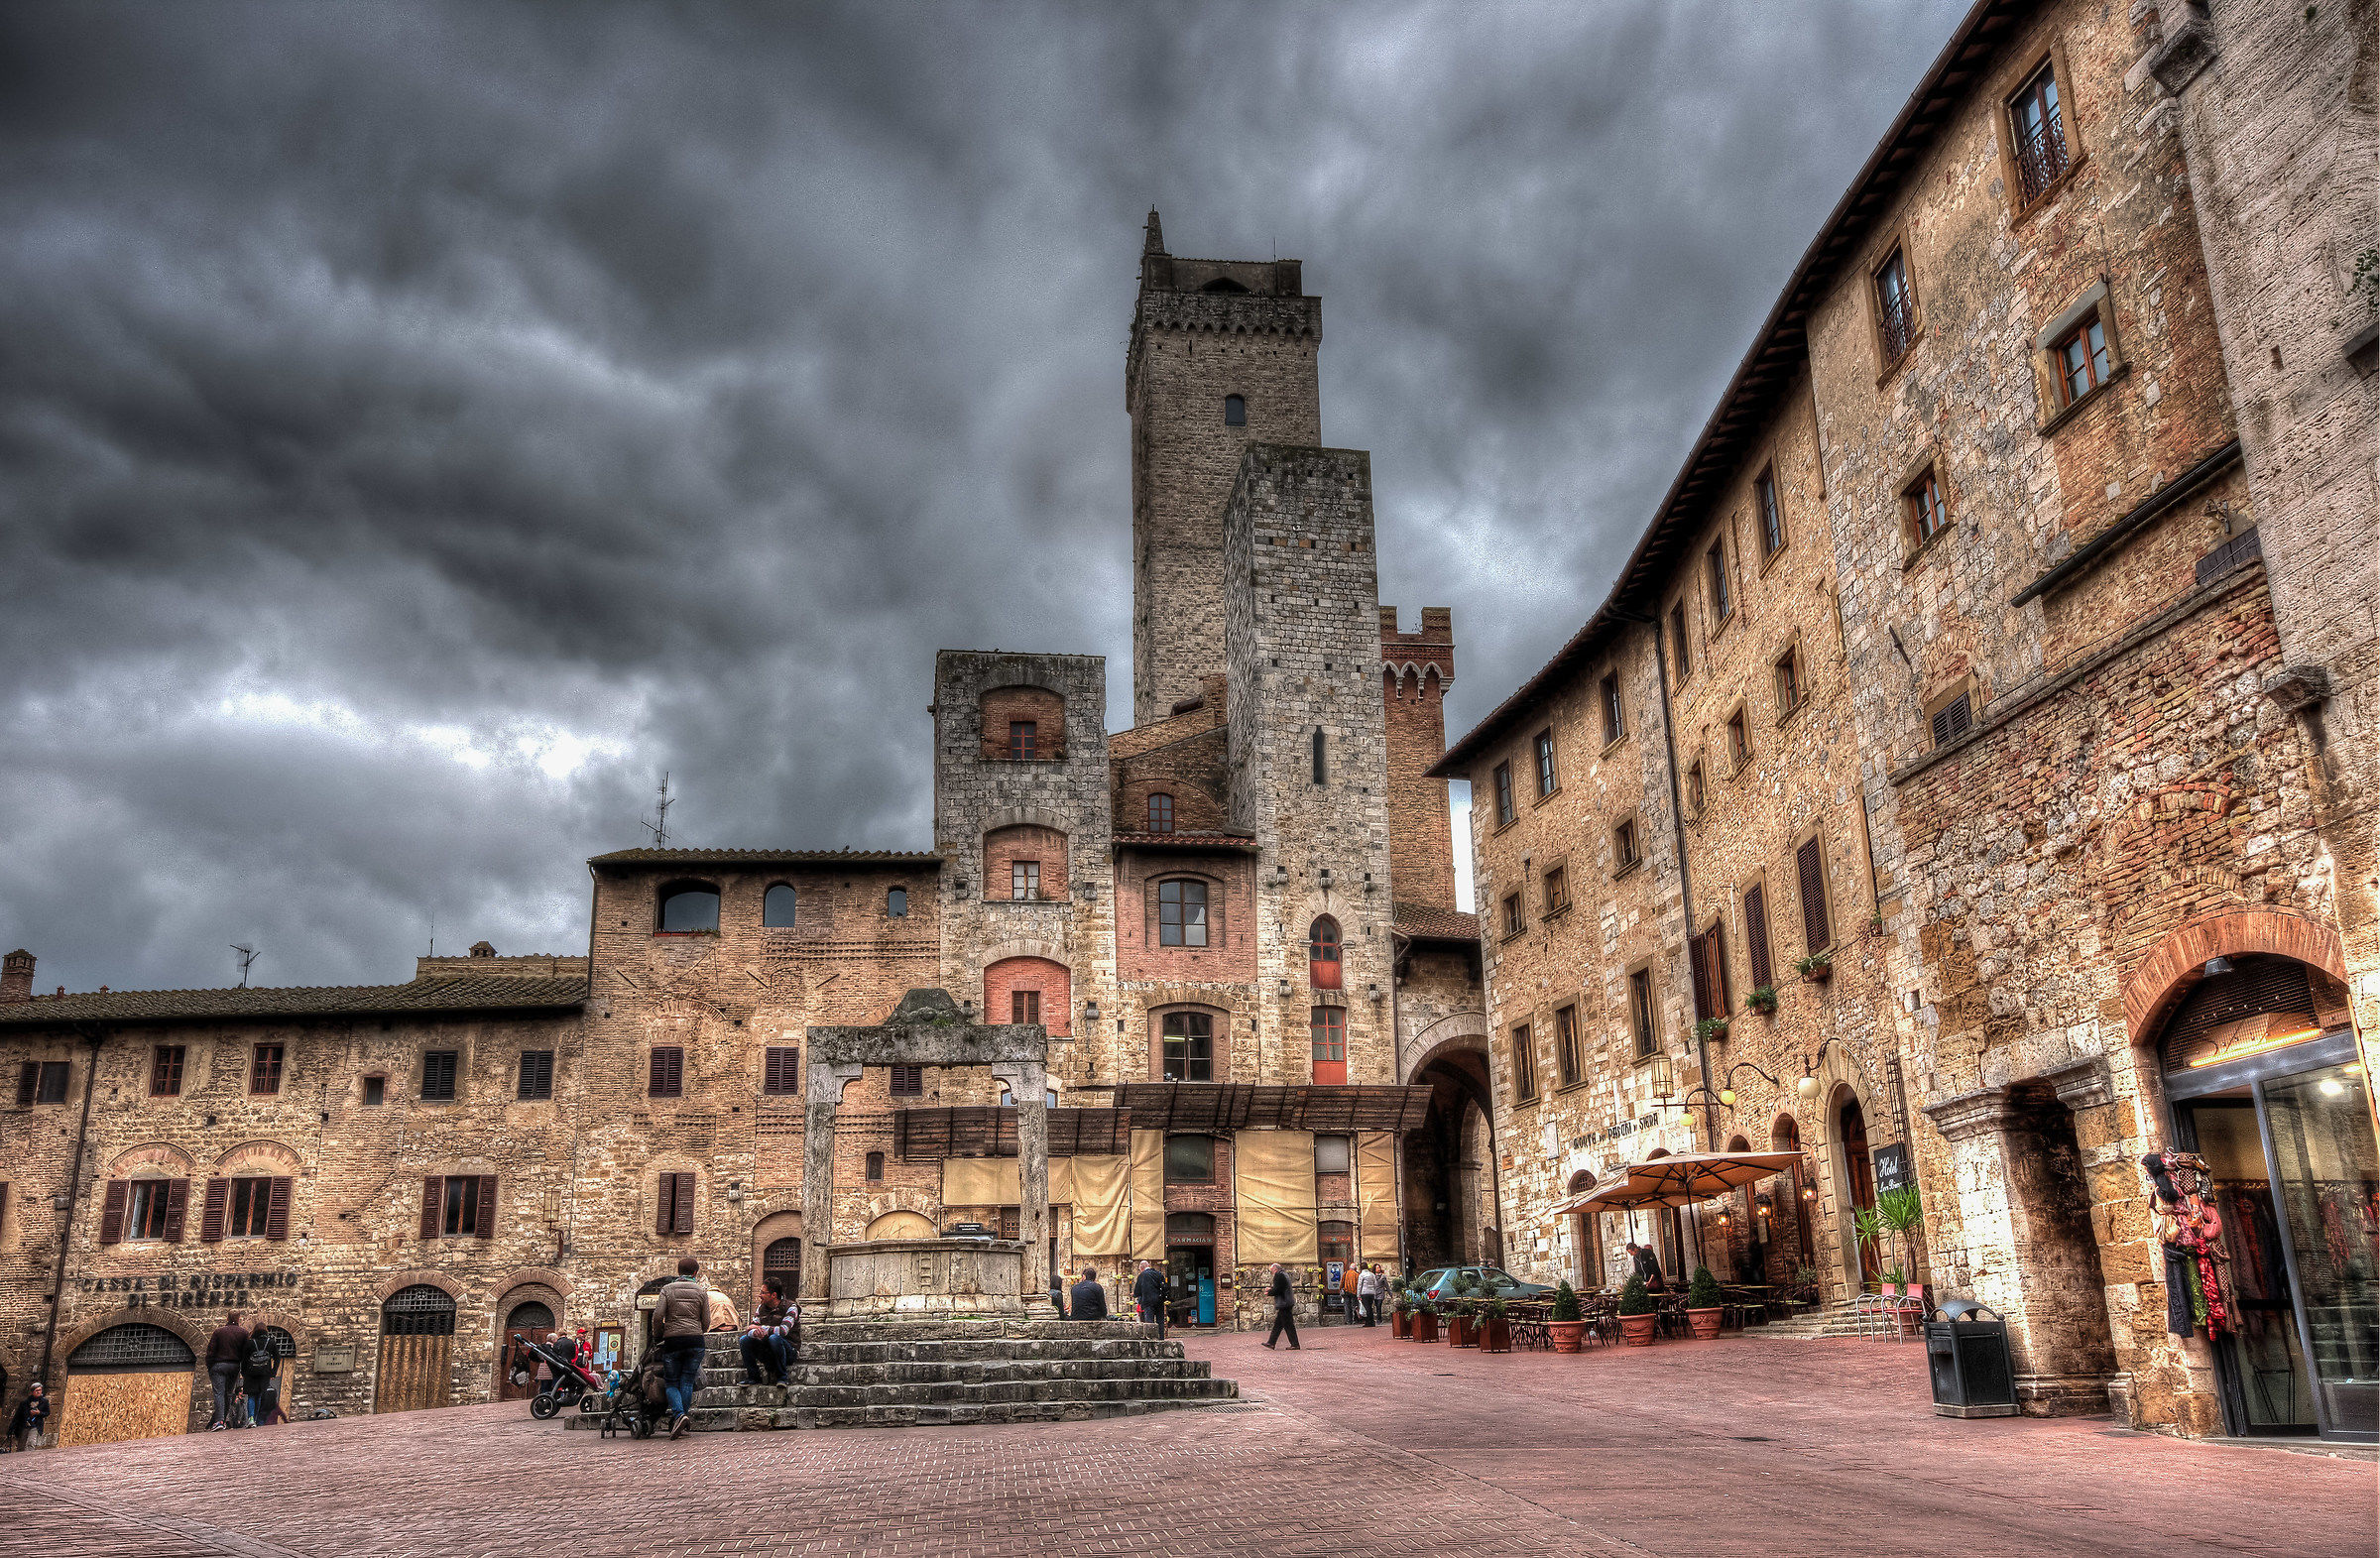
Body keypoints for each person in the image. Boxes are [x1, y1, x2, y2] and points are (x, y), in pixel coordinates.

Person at [655, 1256, 711, 1439]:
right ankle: (683, 1418)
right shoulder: (701, 1292)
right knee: (687, 1381)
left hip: (674, 1340)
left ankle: (679, 1415)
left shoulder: (667, 1289)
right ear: (696, 1273)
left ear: (678, 1272)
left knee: (671, 1381)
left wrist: (660, 1332)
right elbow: (707, 1321)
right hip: (695, 1341)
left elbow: (657, 1316)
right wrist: (698, 1330)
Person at [741, 1277, 793, 1385]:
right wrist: (755, 1332)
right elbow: (750, 1329)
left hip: (787, 1350)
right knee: (744, 1340)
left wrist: (761, 1329)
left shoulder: (790, 1307)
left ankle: (782, 1377)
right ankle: (753, 1376)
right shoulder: (761, 1308)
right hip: (768, 1350)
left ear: (773, 1295)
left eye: (763, 1293)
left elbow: (783, 1331)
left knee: (774, 1338)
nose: (759, 1295)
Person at [204, 1311, 250, 1430]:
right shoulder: (244, 1333)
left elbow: (210, 1351)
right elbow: (246, 1353)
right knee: (229, 1394)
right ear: (239, 1318)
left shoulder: (219, 1332)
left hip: (218, 1365)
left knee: (219, 1393)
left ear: (227, 1318)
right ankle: (223, 1420)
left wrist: (210, 1366)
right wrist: (242, 1369)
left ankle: (219, 1421)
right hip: (234, 1366)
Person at [236, 1330, 278, 1428]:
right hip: (264, 1373)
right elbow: (277, 1357)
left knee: (251, 1396)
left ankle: (250, 1419)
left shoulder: (250, 1343)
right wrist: (273, 1372)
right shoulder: (270, 1342)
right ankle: (255, 1418)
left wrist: (243, 1372)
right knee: (259, 1396)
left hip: (251, 1373)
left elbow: (244, 1359)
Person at [1263, 1262, 1300, 1350]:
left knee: (1288, 1325)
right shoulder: (1284, 1274)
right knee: (1278, 1325)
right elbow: (1281, 1288)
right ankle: (1271, 1343)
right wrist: (1272, 1290)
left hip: (1284, 1303)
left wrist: (1269, 1292)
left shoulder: (1279, 1275)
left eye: (1271, 1271)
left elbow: (1279, 1290)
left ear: (1275, 1269)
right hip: (1286, 1302)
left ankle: (1295, 1344)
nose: (1272, 1273)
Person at [1131, 1260, 1166, 1339]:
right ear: (1149, 1265)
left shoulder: (1142, 1275)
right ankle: (1161, 1338)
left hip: (1148, 1301)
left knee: (1149, 1322)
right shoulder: (1158, 1273)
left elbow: (1137, 1291)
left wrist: (1134, 1295)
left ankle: (1151, 1339)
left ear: (1141, 1268)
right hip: (1159, 1300)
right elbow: (1164, 1287)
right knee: (1160, 1321)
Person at [8, 1383, 47, 1451]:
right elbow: (17, 1415)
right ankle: (19, 1459)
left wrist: (39, 1413)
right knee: (21, 1445)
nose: (38, 1392)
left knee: (31, 1442)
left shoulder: (44, 1402)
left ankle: (29, 1459)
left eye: (40, 1390)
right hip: (24, 1425)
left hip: (35, 1425)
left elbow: (47, 1413)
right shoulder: (25, 1402)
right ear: (32, 1392)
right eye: (36, 1390)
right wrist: (12, 1428)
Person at [1356, 1263, 1383, 1327]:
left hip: (1364, 1293)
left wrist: (1358, 1295)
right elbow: (1376, 1284)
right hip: (1371, 1293)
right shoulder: (1372, 1274)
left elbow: (1359, 1285)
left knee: (1367, 1308)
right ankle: (1372, 1321)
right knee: (1370, 1307)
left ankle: (1368, 1322)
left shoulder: (1361, 1275)